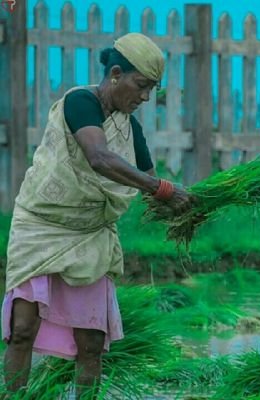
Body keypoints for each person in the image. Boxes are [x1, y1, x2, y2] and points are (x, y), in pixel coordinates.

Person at [1, 32, 192, 398]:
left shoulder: (129, 126)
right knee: (22, 327)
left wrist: (191, 205)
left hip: (91, 233)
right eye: (141, 85)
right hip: (41, 224)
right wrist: (164, 190)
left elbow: (148, 181)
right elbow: (99, 157)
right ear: (116, 73)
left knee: (91, 341)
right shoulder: (80, 102)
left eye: (152, 89)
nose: (145, 97)